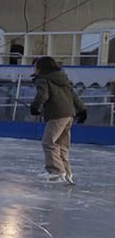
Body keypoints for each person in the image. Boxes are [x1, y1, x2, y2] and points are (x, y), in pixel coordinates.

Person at [29, 55, 87, 185]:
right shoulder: (62, 78)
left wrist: (34, 107)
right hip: (69, 115)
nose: (34, 69)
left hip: (57, 115)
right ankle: (67, 173)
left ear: (41, 68)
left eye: (35, 66)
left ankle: (55, 171)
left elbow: (43, 95)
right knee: (62, 145)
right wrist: (82, 110)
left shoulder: (42, 79)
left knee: (48, 142)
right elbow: (73, 95)